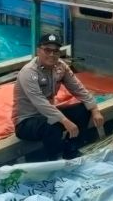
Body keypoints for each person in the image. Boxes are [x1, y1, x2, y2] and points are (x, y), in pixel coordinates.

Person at [13, 33, 105, 161]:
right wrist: (65, 121)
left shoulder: (61, 67)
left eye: (55, 51)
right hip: (27, 121)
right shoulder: (29, 72)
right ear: (38, 50)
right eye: (47, 50)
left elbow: (78, 89)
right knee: (53, 125)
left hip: (48, 115)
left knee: (83, 109)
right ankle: (55, 159)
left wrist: (95, 110)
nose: (51, 54)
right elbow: (40, 103)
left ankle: (71, 149)